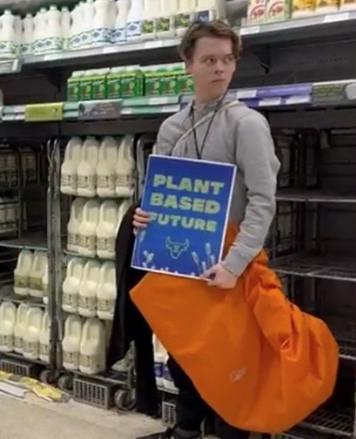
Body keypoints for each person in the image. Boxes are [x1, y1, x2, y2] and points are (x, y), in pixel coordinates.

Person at [133, 21, 280, 439]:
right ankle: (185, 428)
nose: (220, 68)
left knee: (232, 362)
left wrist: (234, 265)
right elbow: (160, 198)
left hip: (230, 266)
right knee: (185, 355)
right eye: (209, 59)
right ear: (188, 65)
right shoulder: (171, 129)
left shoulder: (246, 125)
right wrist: (146, 218)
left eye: (227, 59)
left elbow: (263, 201)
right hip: (181, 266)